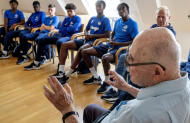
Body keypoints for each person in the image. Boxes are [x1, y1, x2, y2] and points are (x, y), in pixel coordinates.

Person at [43, 27, 190, 123]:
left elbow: (141, 112)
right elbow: (156, 96)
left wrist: (68, 110)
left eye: (131, 61)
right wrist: (126, 87)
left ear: (157, 71)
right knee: (89, 109)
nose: (126, 66)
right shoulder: (183, 84)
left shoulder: (137, 115)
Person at [101, 5, 177, 103]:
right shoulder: (154, 27)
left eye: (163, 17)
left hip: (155, 61)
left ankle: (125, 92)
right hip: (146, 56)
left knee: (133, 63)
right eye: (158, 16)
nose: (160, 19)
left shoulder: (170, 33)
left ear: (169, 18)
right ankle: (116, 89)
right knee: (123, 57)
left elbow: (157, 52)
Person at [81, 3, 138, 93]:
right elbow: (112, 34)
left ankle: (107, 82)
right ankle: (96, 76)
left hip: (121, 49)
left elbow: (134, 41)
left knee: (105, 58)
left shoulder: (133, 24)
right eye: (119, 9)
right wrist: (111, 40)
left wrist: (117, 43)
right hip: (110, 45)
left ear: (128, 10)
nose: (121, 11)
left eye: (123, 9)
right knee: (85, 52)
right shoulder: (118, 22)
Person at [50, 0, 111, 84]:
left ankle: (67, 75)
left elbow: (107, 34)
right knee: (64, 45)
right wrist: (86, 34)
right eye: (96, 6)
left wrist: (92, 36)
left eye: (99, 6)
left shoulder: (105, 20)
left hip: (95, 42)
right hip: (86, 39)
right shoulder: (93, 18)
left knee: (81, 50)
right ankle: (61, 72)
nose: (97, 8)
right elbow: (86, 29)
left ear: (103, 7)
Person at [24, 4, 59, 70]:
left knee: (38, 39)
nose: (50, 11)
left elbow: (51, 28)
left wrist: (45, 27)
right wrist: (46, 27)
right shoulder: (46, 18)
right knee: (26, 36)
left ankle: (41, 58)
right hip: (41, 32)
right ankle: (40, 56)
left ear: (54, 10)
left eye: (52, 10)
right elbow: (41, 28)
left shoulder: (56, 18)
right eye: (49, 9)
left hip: (49, 34)